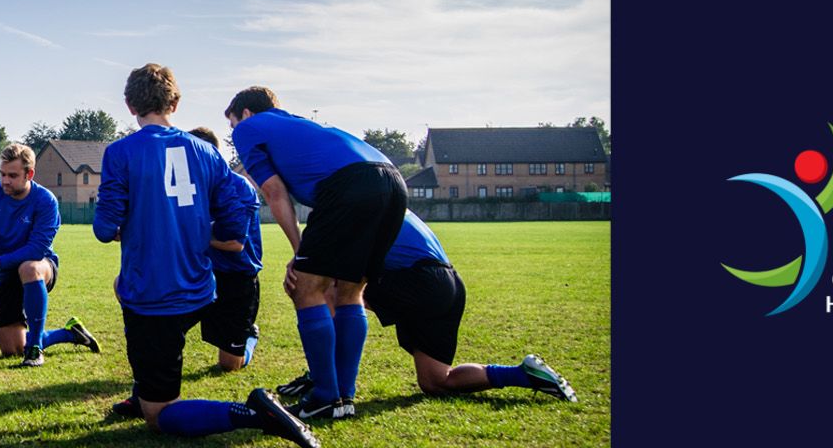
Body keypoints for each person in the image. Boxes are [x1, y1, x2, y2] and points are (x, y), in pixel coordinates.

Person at [93, 63, 316, 448]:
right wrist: (218, 232)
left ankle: (251, 413)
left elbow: (103, 228)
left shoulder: (120, 153)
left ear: (130, 105)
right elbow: (244, 197)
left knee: (159, 416)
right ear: (175, 103)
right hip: (202, 288)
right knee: (127, 294)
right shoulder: (206, 153)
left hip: (154, 296)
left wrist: (129, 224)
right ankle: (145, 384)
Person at [226, 86, 407, 419]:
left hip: (350, 184)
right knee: (350, 292)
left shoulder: (250, 127)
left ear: (246, 114)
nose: (234, 133)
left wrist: (300, 250)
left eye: (233, 124)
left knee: (306, 288)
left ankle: (325, 395)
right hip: (392, 181)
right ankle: (343, 397)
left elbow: (275, 193)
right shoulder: (295, 125)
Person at [276, 211, 578, 404]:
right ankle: (522, 374)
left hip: (420, 280)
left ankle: (323, 381)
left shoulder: (352, 206)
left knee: (326, 290)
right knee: (436, 381)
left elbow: (336, 272)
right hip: (448, 284)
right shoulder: (380, 197)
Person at [0, 143, 98, 367]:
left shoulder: (46, 201)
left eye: (12, 175)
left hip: (41, 268)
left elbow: (36, 249)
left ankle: (36, 348)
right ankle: (70, 333)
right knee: (12, 349)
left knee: (29, 267)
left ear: (29, 174)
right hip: (4, 274)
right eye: (2, 174)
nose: (5, 180)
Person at [186, 127, 262, 372]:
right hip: (202, 272)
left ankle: (249, 337)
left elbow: (234, 244)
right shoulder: (189, 186)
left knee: (229, 366)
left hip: (236, 276)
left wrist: (192, 235)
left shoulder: (237, 188)